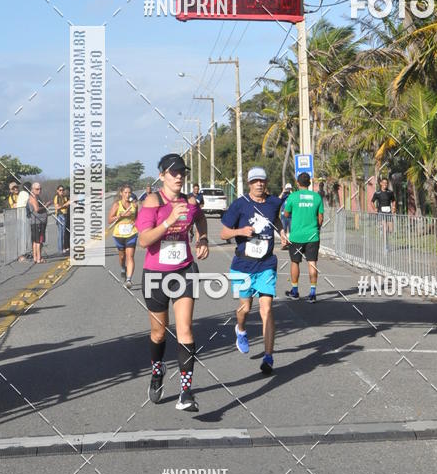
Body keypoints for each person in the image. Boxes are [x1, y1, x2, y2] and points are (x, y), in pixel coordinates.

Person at [136, 153, 209, 411]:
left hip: (184, 270)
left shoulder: (190, 201)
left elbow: (200, 218)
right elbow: (144, 240)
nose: (179, 176)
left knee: (185, 329)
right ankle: (157, 371)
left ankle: (186, 393)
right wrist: (168, 221)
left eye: (182, 172)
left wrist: (202, 239)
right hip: (156, 274)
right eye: (173, 172)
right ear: (162, 175)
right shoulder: (151, 202)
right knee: (158, 332)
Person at [220, 166, 288, 375]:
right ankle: (240, 329)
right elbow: (224, 233)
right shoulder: (240, 205)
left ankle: (268, 357)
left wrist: (283, 232)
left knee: (266, 308)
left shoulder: (274, 202)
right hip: (243, 265)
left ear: (266, 182)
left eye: (262, 180)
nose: (259, 184)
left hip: (266, 264)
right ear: (249, 183)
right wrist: (240, 231)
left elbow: (275, 218)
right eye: (255, 181)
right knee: (245, 308)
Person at [283, 173, 324, 302]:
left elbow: (286, 213)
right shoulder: (317, 197)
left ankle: (295, 291)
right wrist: (316, 228)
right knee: (312, 263)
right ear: (309, 183)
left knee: (295, 262)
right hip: (312, 236)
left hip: (296, 236)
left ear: (297, 182)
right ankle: (312, 293)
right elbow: (321, 218)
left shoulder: (293, 197)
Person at [108, 184, 138, 288]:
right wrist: (119, 216)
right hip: (119, 234)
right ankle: (123, 268)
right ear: (121, 193)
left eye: (129, 192)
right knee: (122, 256)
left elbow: (137, 217)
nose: (127, 194)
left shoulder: (134, 205)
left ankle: (129, 280)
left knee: (130, 256)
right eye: (125, 192)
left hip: (131, 233)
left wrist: (136, 222)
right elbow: (109, 220)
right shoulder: (117, 204)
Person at [27, 182, 48, 263]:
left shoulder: (36, 196)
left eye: (40, 189)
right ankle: (38, 258)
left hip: (38, 221)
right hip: (37, 222)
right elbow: (36, 209)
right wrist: (46, 206)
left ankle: (36, 258)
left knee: (36, 241)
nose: (39, 190)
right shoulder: (33, 197)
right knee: (38, 241)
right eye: (37, 189)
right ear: (32, 189)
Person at [16, 182, 31, 260]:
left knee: (24, 235)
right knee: (23, 236)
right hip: (23, 216)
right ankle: (22, 254)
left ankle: (24, 253)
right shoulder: (25, 194)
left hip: (21, 216)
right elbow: (29, 203)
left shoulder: (21, 193)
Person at [53, 185, 70, 254]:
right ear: (57, 191)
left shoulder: (64, 197)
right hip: (60, 215)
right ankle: (60, 249)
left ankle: (64, 247)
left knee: (63, 232)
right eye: (60, 190)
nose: (61, 191)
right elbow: (57, 207)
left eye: (62, 190)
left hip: (65, 215)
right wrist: (66, 204)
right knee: (61, 233)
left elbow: (68, 204)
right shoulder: (57, 197)